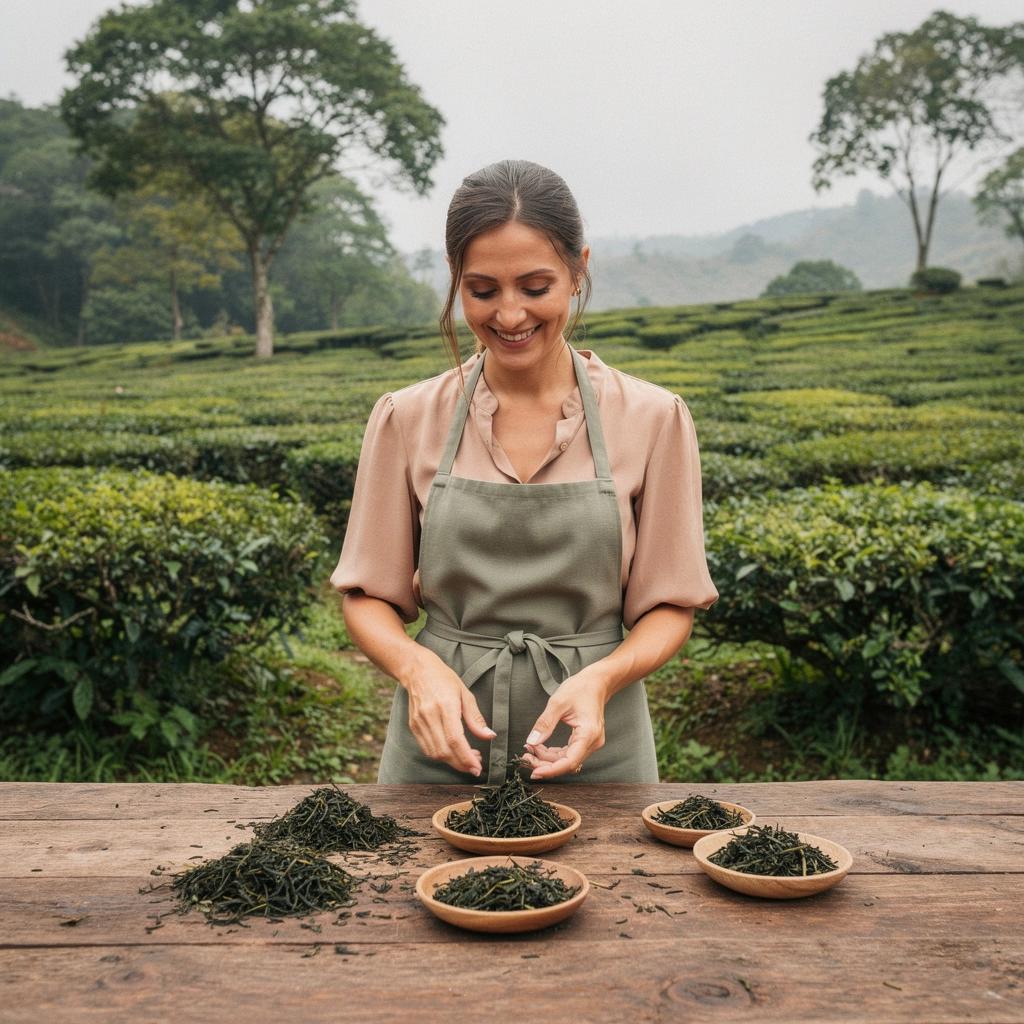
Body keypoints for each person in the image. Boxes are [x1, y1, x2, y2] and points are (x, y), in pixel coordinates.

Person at [332, 159, 718, 785]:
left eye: (535, 288)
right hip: (437, 749)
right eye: (483, 291)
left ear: (578, 270)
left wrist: (603, 678)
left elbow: (671, 604)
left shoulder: (653, 419)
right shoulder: (407, 417)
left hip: (597, 748)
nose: (510, 316)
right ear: (456, 279)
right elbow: (367, 595)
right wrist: (416, 668)